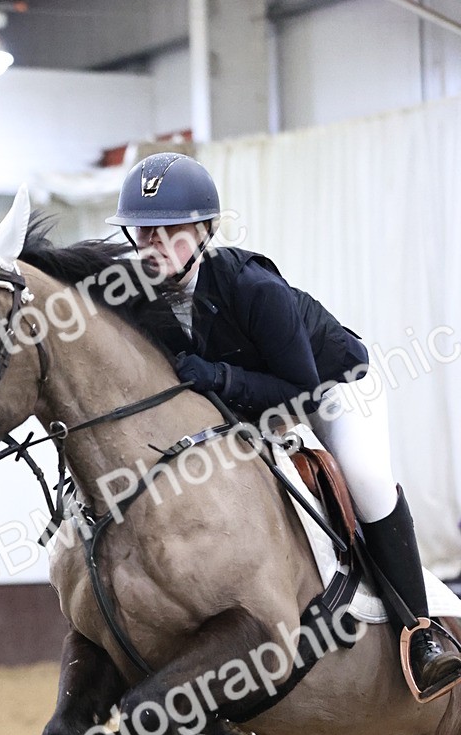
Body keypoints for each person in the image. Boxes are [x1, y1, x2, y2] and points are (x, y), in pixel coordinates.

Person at [106, 151, 461, 701]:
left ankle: (423, 633)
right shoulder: (138, 297)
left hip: (333, 386)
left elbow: (300, 390)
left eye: (169, 232)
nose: (153, 246)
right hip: (249, 405)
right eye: (143, 233)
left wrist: (220, 376)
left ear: (204, 231)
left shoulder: (251, 286)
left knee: (365, 479)